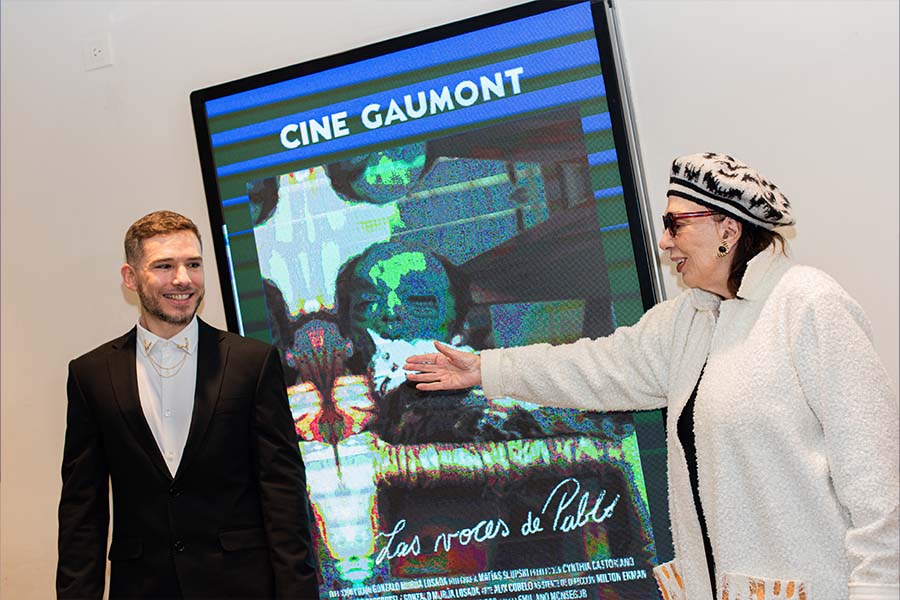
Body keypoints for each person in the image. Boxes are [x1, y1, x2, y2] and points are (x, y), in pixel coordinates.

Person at [405, 153, 899, 600]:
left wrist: (878, 590)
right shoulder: (688, 319)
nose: (664, 242)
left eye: (675, 225)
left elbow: (877, 478)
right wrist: (487, 368)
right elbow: (593, 366)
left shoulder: (808, 303)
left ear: (726, 228)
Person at [57, 211, 319, 599]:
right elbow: (82, 511)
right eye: (164, 266)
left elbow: (283, 493)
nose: (183, 279)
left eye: (193, 264)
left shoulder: (252, 363)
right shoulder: (91, 375)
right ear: (130, 278)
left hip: (244, 586)